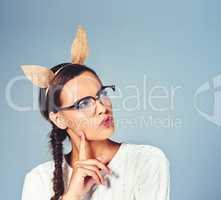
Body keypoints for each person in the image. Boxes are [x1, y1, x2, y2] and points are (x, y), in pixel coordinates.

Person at [21, 26, 170, 200]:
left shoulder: (146, 161)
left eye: (102, 94)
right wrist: (72, 196)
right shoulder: (38, 180)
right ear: (59, 119)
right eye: (84, 103)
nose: (102, 107)